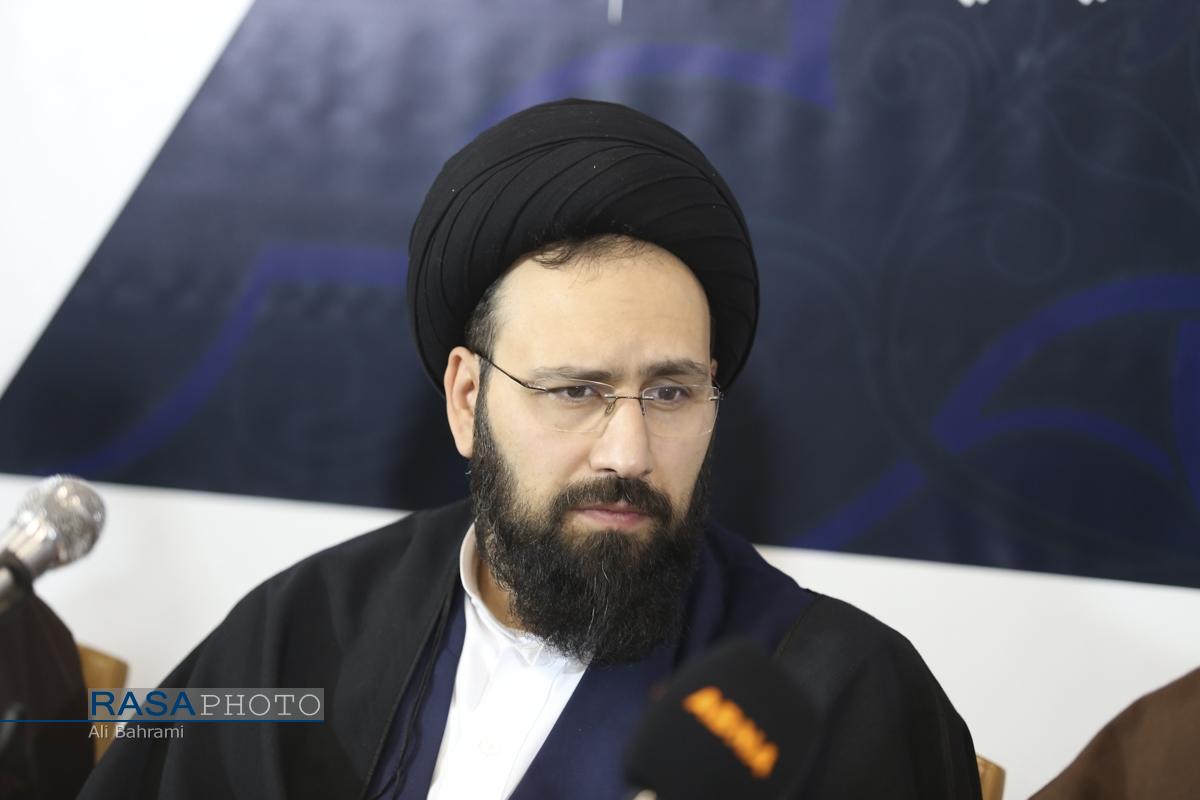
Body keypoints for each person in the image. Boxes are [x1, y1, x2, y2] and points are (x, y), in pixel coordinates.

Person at [80, 98, 981, 799]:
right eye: (575, 390)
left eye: (670, 393)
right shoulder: (303, 633)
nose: (628, 452)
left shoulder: (836, 694)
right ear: (468, 400)